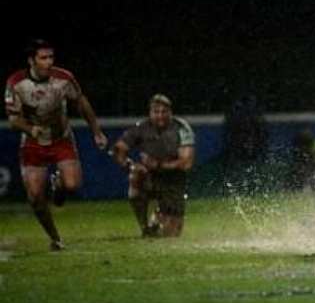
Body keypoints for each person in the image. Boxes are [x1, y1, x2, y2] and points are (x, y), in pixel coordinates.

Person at [4, 39, 107, 250]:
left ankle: (58, 183)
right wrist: (31, 129)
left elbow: (81, 102)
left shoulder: (64, 78)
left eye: (51, 57)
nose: (49, 62)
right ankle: (55, 238)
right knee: (35, 197)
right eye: (43, 58)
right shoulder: (16, 82)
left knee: (72, 185)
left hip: (61, 139)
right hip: (33, 143)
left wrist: (96, 131)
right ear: (31, 60)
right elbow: (13, 119)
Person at [112, 94, 195, 237]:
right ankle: (144, 226)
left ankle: (158, 216)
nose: (160, 116)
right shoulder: (141, 128)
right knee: (136, 175)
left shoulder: (181, 128)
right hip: (150, 179)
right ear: (150, 113)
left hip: (173, 182)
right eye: (156, 112)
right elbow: (119, 148)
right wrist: (130, 165)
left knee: (171, 234)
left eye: (164, 112)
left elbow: (186, 163)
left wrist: (157, 164)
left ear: (170, 112)